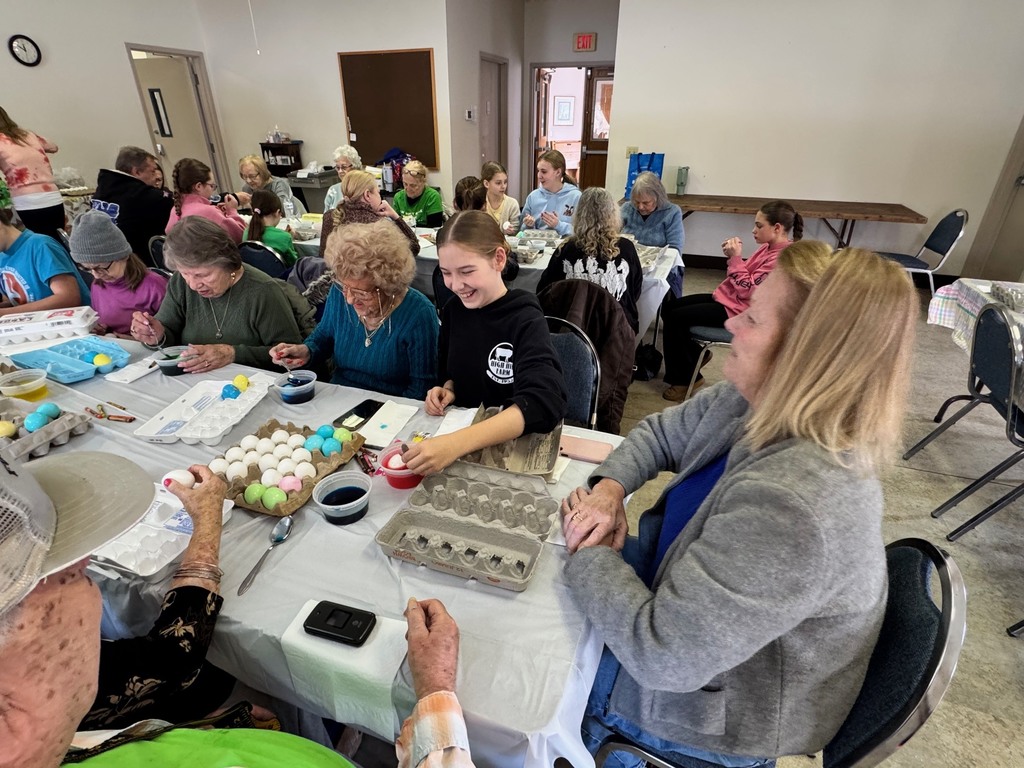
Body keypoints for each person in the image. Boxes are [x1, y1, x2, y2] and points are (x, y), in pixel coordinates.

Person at [561, 245, 917, 768]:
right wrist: (611, 488)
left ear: (803, 354)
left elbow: (663, 656)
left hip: (708, 714)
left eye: (752, 316)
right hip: (681, 614)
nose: (731, 318)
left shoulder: (799, 504)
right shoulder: (758, 399)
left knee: (528, 678)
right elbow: (661, 432)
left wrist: (588, 549)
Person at [0, 451, 476, 768]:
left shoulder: (55, 736)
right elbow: (172, 660)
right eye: (68, 575)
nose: (92, 580)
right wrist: (434, 692)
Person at [403, 211, 567, 476]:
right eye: (446, 273)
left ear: (498, 259)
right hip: (460, 442)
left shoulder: (524, 316)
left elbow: (544, 402)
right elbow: (452, 369)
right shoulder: (454, 310)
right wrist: (448, 388)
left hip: (503, 450)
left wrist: (456, 443)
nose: (455, 285)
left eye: (467, 271)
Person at [271, 219, 437, 398]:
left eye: (361, 293)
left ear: (389, 285)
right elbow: (324, 337)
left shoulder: (418, 314)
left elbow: (420, 389)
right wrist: (306, 351)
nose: (349, 300)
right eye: (344, 287)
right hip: (339, 397)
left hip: (390, 408)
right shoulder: (338, 291)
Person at [661, 200, 803, 402]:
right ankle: (692, 357)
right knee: (670, 307)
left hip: (742, 311)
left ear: (777, 228)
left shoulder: (780, 258)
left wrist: (735, 259)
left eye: (759, 225)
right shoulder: (767, 247)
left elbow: (748, 291)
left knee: (676, 318)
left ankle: (684, 380)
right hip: (731, 301)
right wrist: (735, 259)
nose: (754, 230)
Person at [130, 216, 304, 371]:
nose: (192, 285)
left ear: (227, 263)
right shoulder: (179, 283)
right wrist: (155, 334)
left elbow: (290, 356)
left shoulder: (263, 291)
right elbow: (167, 332)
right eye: (185, 273)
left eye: (202, 275)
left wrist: (233, 353)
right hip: (194, 384)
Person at [537, 186, 643, 333]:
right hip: (616, 330)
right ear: (613, 214)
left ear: (579, 214)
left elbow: (545, 290)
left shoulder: (566, 249)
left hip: (573, 327)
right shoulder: (626, 248)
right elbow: (634, 291)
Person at [68, 209, 167, 336]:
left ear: (123, 256)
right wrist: (101, 328)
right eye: (87, 268)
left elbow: (170, 336)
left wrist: (133, 339)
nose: (96, 275)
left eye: (102, 267)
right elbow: (106, 322)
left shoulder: (154, 286)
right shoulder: (98, 284)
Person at [0, 178, 90, 316]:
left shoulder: (41, 246)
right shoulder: (2, 257)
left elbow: (69, 298)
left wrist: (6, 313)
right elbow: (14, 301)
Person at [92, 146, 174, 266]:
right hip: (137, 264)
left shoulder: (102, 191)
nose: (156, 177)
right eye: (152, 171)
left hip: (106, 259)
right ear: (137, 172)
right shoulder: (144, 196)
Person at [317, 169, 419, 260]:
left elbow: (323, 259)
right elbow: (413, 249)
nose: (380, 197)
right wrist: (395, 216)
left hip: (334, 279)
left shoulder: (330, 216)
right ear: (367, 195)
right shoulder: (380, 225)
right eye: (378, 193)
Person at [0, 105, 64, 238]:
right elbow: (53, 147)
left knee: (40, 242)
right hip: (52, 196)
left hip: (27, 200)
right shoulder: (27, 135)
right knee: (58, 240)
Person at [166, 158, 246, 243]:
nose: (213, 190)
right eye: (211, 186)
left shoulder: (175, 210)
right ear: (199, 186)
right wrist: (232, 211)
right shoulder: (208, 212)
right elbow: (240, 237)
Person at [519, 150, 581, 236]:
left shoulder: (576, 197)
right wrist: (528, 225)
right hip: (537, 246)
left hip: (566, 247)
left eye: (544, 172)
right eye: (538, 171)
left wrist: (558, 225)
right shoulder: (533, 197)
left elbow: (582, 232)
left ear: (558, 172)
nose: (539, 176)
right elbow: (521, 232)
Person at [620, 171, 684, 252]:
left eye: (646, 203)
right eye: (636, 201)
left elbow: (675, 248)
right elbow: (612, 234)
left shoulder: (672, 212)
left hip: (659, 261)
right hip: (629, 259)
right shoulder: (627, 208)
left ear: (657, 197)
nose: (640, 207)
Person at [244, 189, 299, 266]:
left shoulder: (247, 232)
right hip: (280, 276)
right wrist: (288, 237)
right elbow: (294, 263)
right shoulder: (284, 237)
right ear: (277, 213)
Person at [238, 154, 305, 215]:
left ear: (262, 172)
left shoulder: (279, 184)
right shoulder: (246, 188)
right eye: (245, 176)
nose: (248, 181)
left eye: (252, 176)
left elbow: (282, 210)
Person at [393, 160, 444, 227]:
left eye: (413, 185)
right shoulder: (398, 197)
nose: (408, 189)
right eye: (405, 184)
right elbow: (395, 226)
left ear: (423, 182)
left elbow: (435, 228)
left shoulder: (432, 197)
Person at [481, 161, 520, 234]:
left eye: (505, 182)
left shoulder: (512, 204)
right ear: (486, 184)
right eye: (498, 183)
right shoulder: (480, 203)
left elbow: (516, 231)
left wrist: (510, 231)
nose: (503, 186)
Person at [322, 145, 363, 212]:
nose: (340, 171)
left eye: (344, 167)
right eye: (338, 168)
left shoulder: (364, 189)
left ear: (355, 167)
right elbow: (325, 217)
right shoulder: (333, 190)